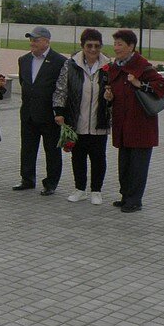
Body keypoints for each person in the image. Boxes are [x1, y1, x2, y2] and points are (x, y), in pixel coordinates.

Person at [103, 29, 164, 213]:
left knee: (138, 166)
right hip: (123, 125)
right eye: (115, 44)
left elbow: (162, 86)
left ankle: (135, 200)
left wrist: (140, 84)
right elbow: (118, 92)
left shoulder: (143, 66)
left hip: (141, 126)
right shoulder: (115, 67)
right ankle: (125, 196)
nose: (116, 48)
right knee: (124, 164)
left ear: (131, 46)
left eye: (120, 44)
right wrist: (109, 96)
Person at [53, 29, 111, 205]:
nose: (93, 49)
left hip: (99, 120)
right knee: (78, 156)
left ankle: (96, 190)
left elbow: (114, 91)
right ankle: (80, 189)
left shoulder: (108, 67)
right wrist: (59, 112)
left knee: (98, 157)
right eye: (89, 46)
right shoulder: (71, 65)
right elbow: (61, 89)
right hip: (76, 119)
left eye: (97, 46)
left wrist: (111, 97)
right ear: (82, 46)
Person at [14, 26, 67, 196]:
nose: (32, 43)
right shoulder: (24, 60)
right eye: (31, 40)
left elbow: (63, 88)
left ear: (46, 41)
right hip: (28, 113)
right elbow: (24, 83)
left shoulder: (59, 61)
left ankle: (51, 183)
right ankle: (27, 179)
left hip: (49, 116)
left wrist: (60, 112)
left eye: (36, 40)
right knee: (28, 148)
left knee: (52, 150)